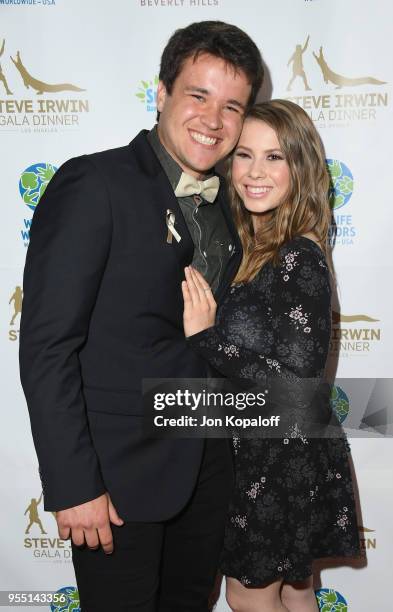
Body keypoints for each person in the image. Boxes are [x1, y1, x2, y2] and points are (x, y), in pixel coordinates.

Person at [19, 21, 263, 612]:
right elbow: (47, 346)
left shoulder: (234, 204)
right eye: (197, 96)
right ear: (161, 95)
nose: (214, 120)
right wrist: (75, 487)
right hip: (116, 484)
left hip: (205, 474)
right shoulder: (93, 183)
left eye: (232, 106)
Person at [183, 100, 360, 612]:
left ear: (299, 167)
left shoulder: (297, 256)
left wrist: (206, 337)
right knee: (294, 591)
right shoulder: (258, 245)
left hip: (282, 455)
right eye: (244, 155)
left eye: (274, 157)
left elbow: (296, 384)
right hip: (271, 447)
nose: (255, 172)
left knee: (247, 595)